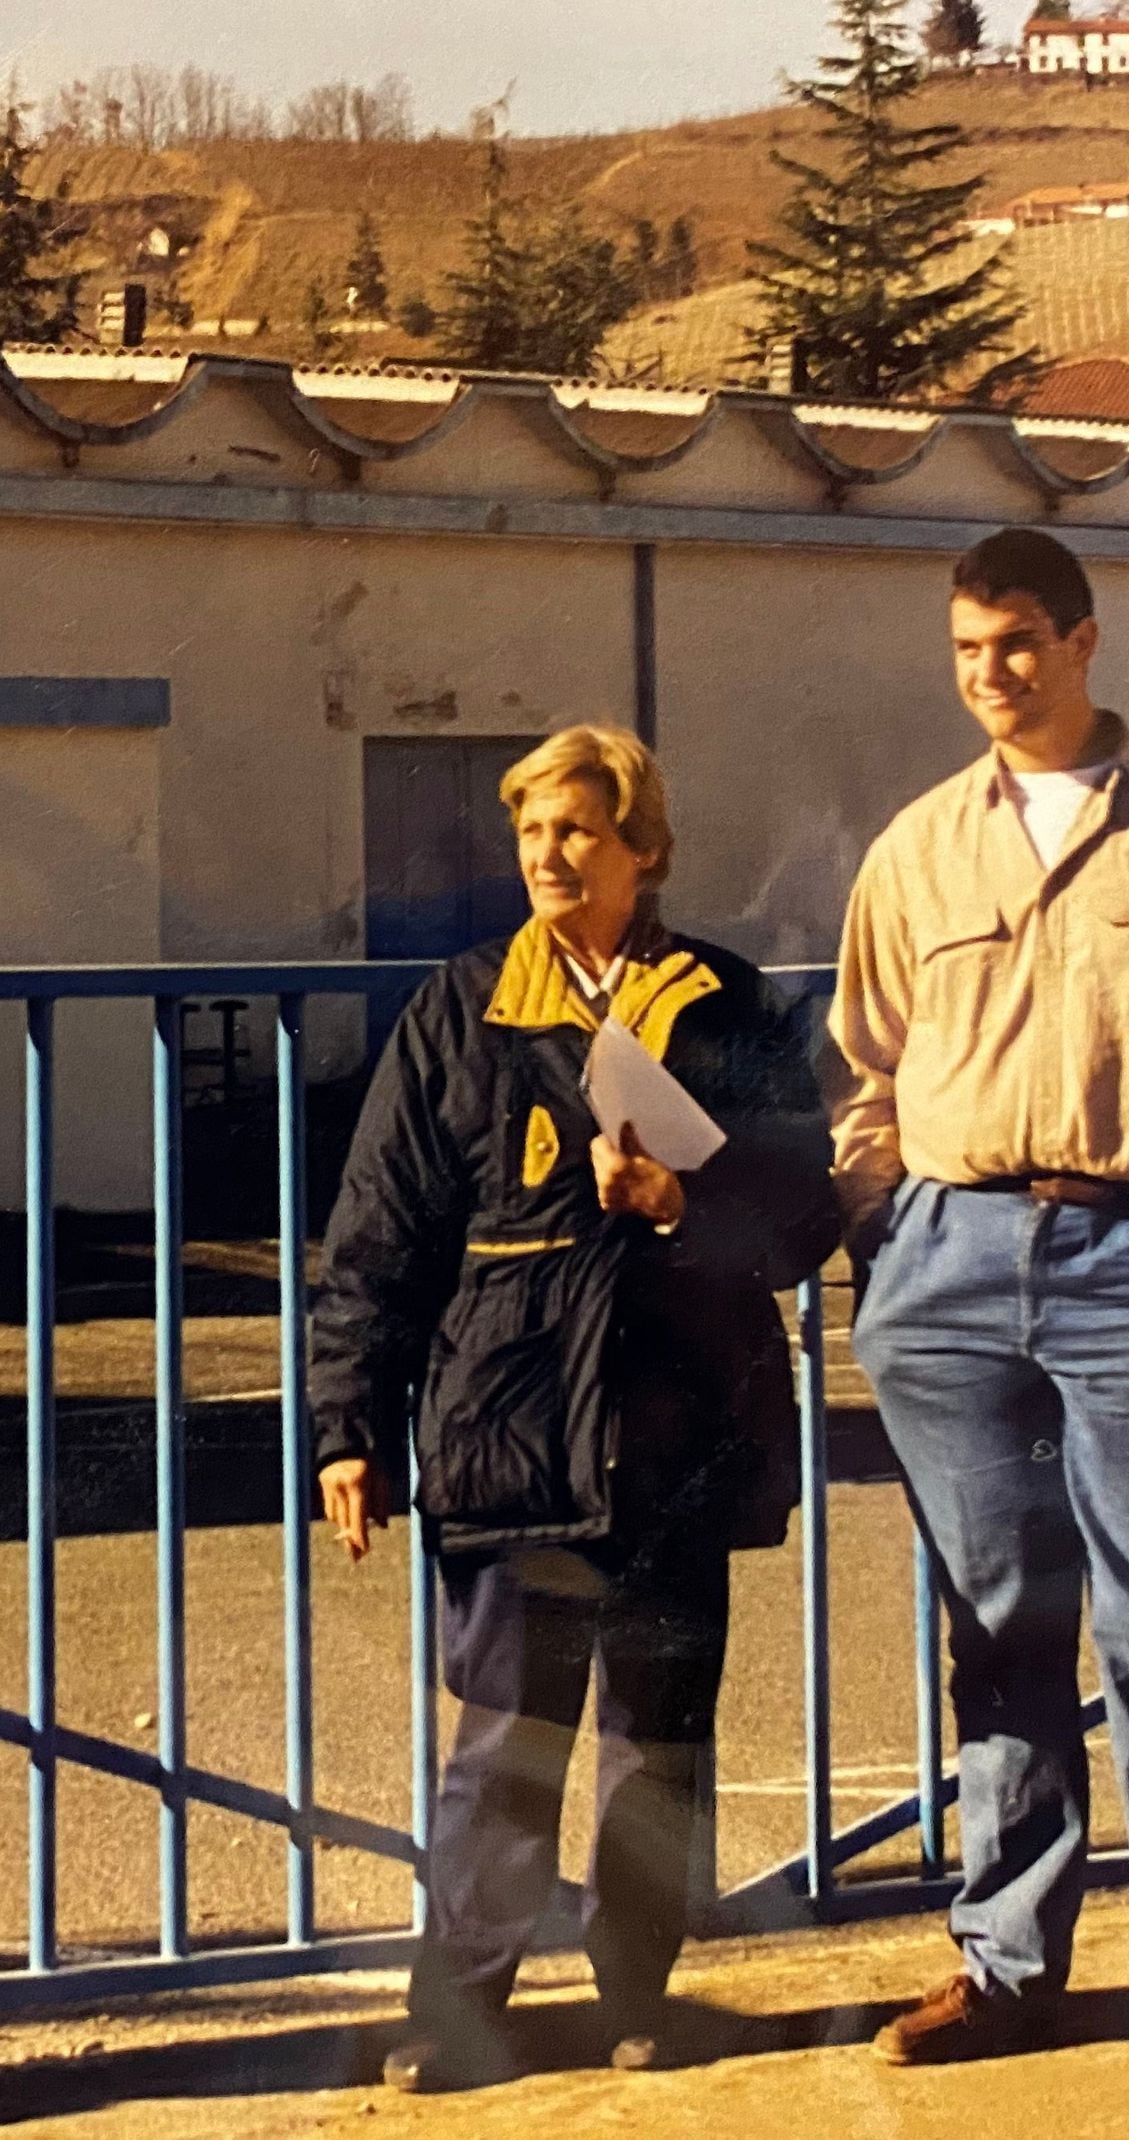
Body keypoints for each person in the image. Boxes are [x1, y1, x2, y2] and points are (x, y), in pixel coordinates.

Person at [310, 725, 838, 2093]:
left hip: (680, 1423)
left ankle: (638, 1994)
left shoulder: (718, 1000)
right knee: (503, 1741)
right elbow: (379, 1232)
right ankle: (459, 2008)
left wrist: (687, 1204)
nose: (548, 856)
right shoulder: (466, 1007)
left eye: (577, 833)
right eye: (532, 832)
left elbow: (801, 1204)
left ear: (643, 851)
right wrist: (349, 1424)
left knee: (658, 1740)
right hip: (515, 1427)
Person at [831, 527, 1129, 2074]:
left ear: (1084, 642)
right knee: (996, 1626)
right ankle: (1006, 1965)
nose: (990, 676)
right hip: (954, 1266)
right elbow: (863, 1065)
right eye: (966, 652)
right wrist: (894, 1230)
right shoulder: (918, 847)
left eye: (1017, 645)